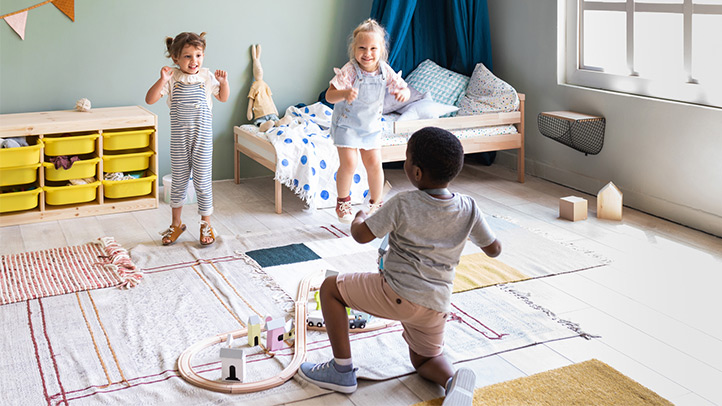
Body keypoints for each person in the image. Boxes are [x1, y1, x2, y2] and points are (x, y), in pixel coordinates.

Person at [297, 127, 502, 406]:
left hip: (397, 293)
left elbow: (361, 236)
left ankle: (341, 370)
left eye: (406, 158)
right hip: (437, 304)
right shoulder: (469, 206)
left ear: (416, 172)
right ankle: (452, 381)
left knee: (331, 288)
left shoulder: (404, 202)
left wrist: (359, 216)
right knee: (424, 359)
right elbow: (494, 249)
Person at [145, 32, 229, 246]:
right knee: (179, 182)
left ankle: (205, 224)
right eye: (188, 57)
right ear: (175, 58)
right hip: (179, 140)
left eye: (199, 55)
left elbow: (223, 97)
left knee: (202, 181)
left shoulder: (207, 77)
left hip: (202, 139)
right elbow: (150, 99)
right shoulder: (172, 78)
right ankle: (176, 224)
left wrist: (223, 82)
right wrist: (162, 79)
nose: (194, 61)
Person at [325, 19, 411, 223]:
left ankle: (376, 203)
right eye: (362, 48)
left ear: (381, 49)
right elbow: (329, 96)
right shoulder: (350, 70)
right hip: (347, 125)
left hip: (371, 126)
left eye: (373, 48)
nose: (367, 53)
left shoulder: (384, 70)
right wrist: (344, 93)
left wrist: (403, 94)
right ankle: (343, 204)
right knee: (350, 163)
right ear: (354, 49)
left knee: (374, 163)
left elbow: (404, 88)